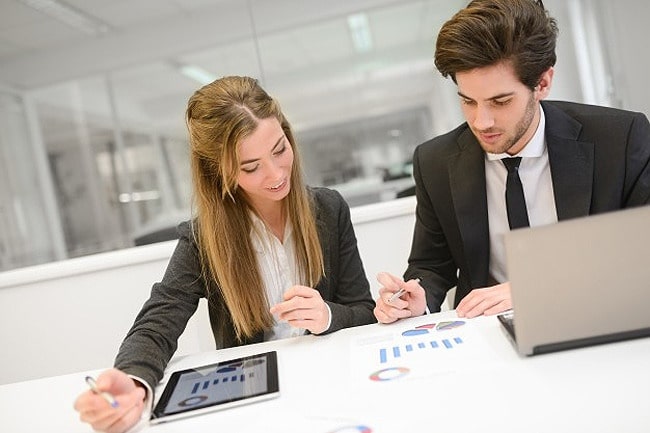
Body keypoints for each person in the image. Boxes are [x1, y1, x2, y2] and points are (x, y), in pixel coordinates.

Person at [74, 76, 376, 433]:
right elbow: (157, 324)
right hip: (257, 407)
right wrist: (134, 381)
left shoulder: (329, 208)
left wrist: (326, 316)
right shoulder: (205, 239)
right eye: (251, 167)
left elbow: (363, 310)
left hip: (333, 386)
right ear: (220, 172)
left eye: (279, 149)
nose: (277, 174)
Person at [374, 0, 650, 324]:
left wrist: (534, 288)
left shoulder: (618, 139)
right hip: (489, 335)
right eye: (468, 101)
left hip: (598, 315)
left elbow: (639, 251)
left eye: (500, 101)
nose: (481, 121)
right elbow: (431, 265)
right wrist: (416, 299)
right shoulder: (435, 161)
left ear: (543, 84)